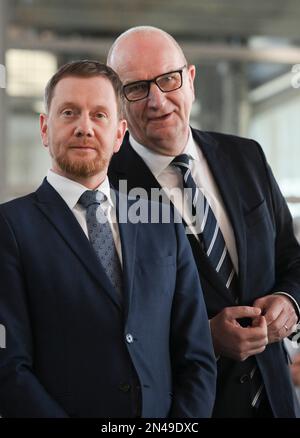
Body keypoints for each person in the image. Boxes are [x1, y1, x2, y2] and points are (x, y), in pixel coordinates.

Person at [0, 60, 217, 418]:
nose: (84, 128)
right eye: (69, 112)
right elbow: (8, 368)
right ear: (44, 128)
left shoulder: (162, 223)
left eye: (99, 115)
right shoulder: (10, 228)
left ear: (119, 135)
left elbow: (197, 356)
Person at [107, 26, 300, 417]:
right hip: (188, 409)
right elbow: (104, 324)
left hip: (276, 400)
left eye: (168, 79)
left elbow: (290, 258)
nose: (157, 101)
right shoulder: (107, 191)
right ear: (119, 102)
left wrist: (290, 301)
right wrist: (204, 338)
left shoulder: (246, 156)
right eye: (137, 88)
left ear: (190, 79)